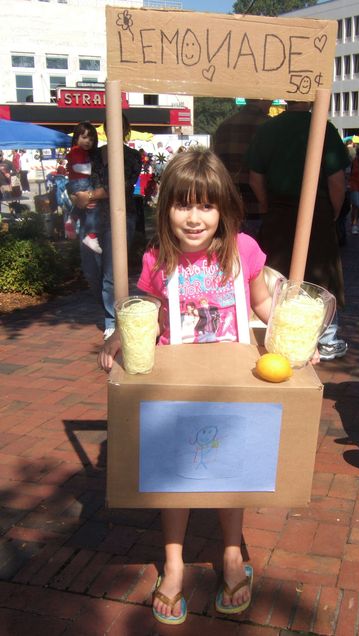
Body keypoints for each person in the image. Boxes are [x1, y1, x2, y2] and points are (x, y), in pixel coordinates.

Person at [98, 150, 298, 626]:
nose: (194, 218)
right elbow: (144, 309)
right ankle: (173, 562)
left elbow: (264, 304)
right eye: (182, 205)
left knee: (234, 470)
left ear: (224, 210)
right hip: (177, 383)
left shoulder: (243, 250)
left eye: (205, 206)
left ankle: (232, 553)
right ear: (165, 207)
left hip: (233, 382)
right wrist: (117, 335)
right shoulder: (157, 257)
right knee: (174, 475)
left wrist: (293, 338)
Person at [247, 100, 350, 361]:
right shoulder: (323, 128)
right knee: (322, 272)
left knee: (273, 273)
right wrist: (335, 211)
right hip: (317, 210)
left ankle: (274, 329)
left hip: (278, 212)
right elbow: (337, 180)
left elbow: (255, 178)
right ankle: (326, 337)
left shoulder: (268, 129)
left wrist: (267, 205)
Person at [71, 114, 142, 339]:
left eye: (119, 125)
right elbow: (75, 177)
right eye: (110, 125)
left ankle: (112, 320)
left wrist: (89, 195)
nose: (114, 129)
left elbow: (121, 186)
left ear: (125, 129)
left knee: (112, 273)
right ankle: (108, 311)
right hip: (91, 218)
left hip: (119, 219)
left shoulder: (131, 156)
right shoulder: (92, 153)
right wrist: (75, 196)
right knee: (92, 271)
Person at [213, 99, 271, 238]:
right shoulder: (270, 126)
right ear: (263, 98)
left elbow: (215, 167)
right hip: (260, 207)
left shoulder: (224, 127)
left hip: (229, 207)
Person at [67, 122, 102, 254]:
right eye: (84, 137)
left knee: (84, 205)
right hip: (81, 182)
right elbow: (78, 167)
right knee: (92, 207)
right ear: (76, 138)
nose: (88, 141)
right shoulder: (77, 151)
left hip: (77, 183)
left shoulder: (81, 152)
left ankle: (72, 218)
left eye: (91, 139)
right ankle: (91, 236)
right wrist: (91, 169)